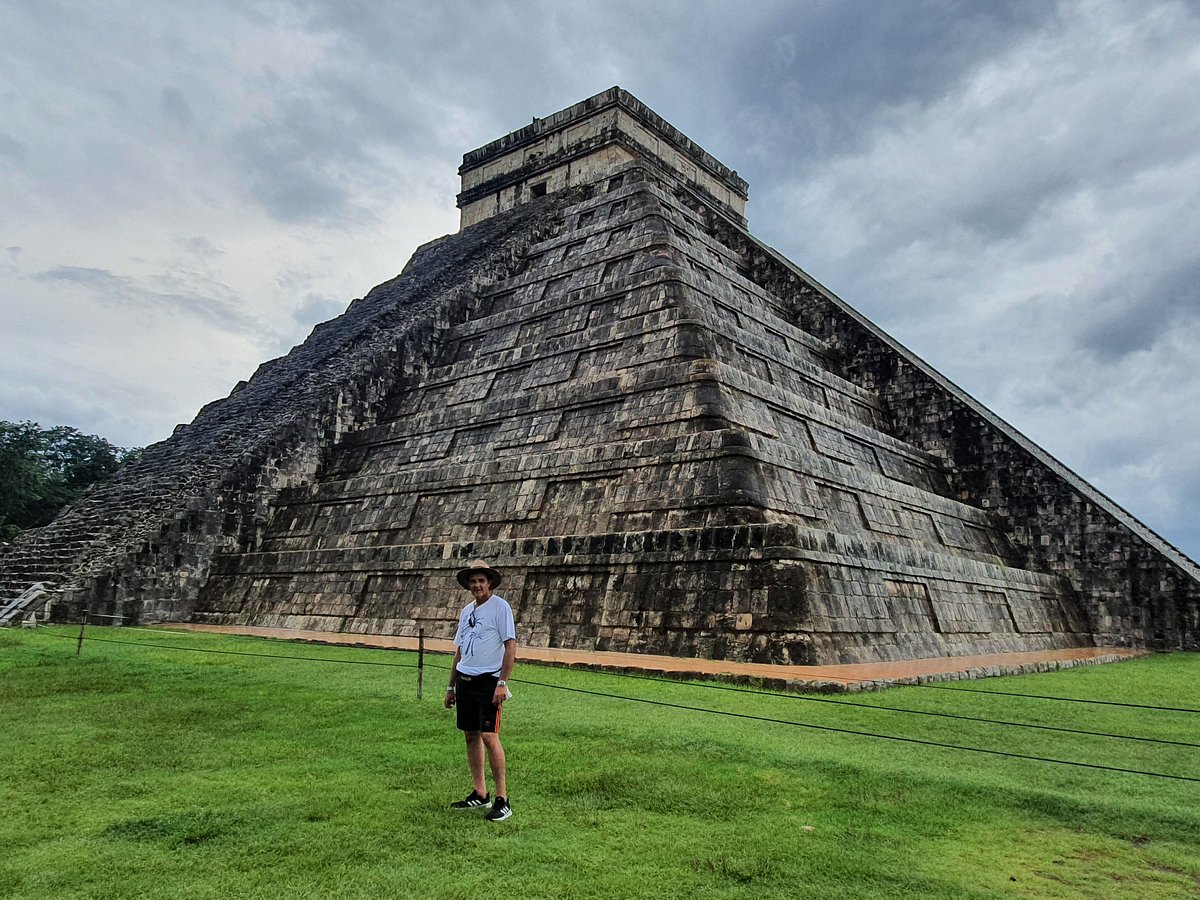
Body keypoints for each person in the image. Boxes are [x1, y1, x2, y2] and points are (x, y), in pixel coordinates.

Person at [444, 558, 517, 821]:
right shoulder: (467, 612)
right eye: (473, 581)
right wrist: (451, 686)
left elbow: (510, 646)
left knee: (489, 736)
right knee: (471, 736)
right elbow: (460, 650)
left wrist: (502, 682)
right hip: (466, 680)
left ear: (489, 583)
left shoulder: (501, 608)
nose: (477, 585)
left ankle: (503, 798)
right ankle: (480, 792)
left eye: (481, 580)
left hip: (489, 682)